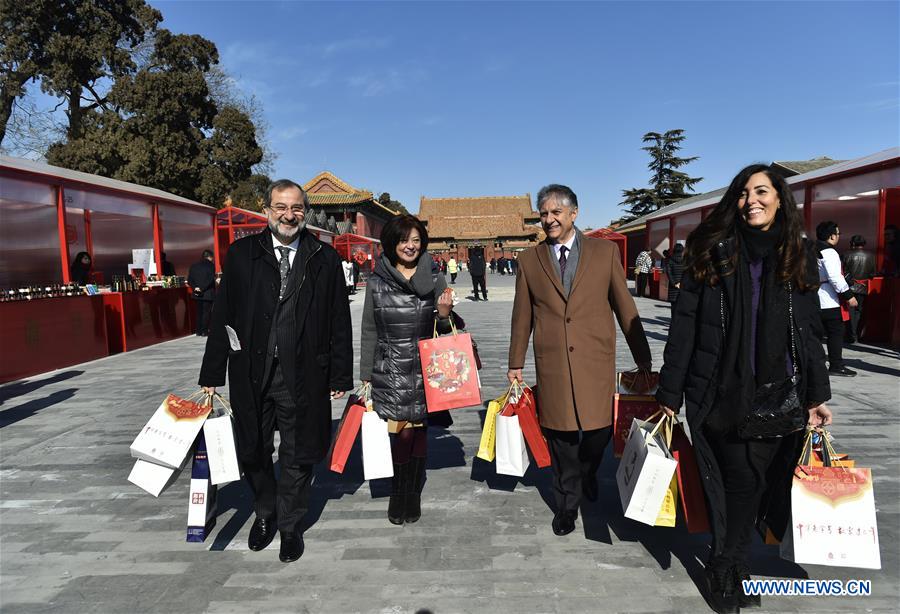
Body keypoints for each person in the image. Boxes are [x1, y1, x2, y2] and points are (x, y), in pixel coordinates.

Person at [656, 164, 832, 613]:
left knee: (755, 484)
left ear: (779, 199)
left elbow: (809, 330)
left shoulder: (799, 253)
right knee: (737, 480)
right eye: (743, 193)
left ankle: (732, 562)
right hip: (721, 389)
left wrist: (818, 395)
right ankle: (726, 567)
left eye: (761, 191)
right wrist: (670, 393)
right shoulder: (711, 249)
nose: (751, 200)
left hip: (780, 391)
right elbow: (685, 325)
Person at [198, 179, 353, 563]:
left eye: (296, 208)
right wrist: (211, 372)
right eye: (281, 207)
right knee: (252, 449)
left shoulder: (323, 257)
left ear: (305, 212)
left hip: (304, 372)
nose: (289, 215)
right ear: (267, 209)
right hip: (251, 370)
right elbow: (223, 315)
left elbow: (338, 320)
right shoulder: (242, 254)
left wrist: (340, 374)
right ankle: (265, 510)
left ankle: (289, 525)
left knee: (298, 454)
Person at [508, 184, 652, 537]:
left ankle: (589, 471)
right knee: (561, 437)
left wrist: (643, 357)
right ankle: (566, 503)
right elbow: (522, 315)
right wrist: (516, 362)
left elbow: (625, 307)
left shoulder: (603, 254)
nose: (549, 219)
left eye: (556, 212)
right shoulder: (530, 260)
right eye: (544, 214)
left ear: (574, 213)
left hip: (594, 360)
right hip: (553, 361)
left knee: (598, 432)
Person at [359, 214, 456, 525]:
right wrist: (365, 373)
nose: (410, 246)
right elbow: (369, 328)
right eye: (404, 240)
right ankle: (398, 491)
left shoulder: (435, 277)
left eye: (416, 240)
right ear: (392, 243)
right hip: (391, 365)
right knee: (399, 431)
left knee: (420, 429)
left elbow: (449, 327)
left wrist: (443, 314)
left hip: (428, 365)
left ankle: (412, 493)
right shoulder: (377, 280)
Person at [815, 221, 857, 376]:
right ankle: (836, 365)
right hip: (830, 299)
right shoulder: (830, 252)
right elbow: (835, 277)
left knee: (815, 335)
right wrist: (849, 296)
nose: (838, 236)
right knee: (835, 333)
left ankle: (814, 364)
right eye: (838, 234)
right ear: (832, 236)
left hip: (814, 297)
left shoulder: (812, 249)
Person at [842, 235, 875, 343]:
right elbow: (872, 274)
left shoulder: (846, 254)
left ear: (852, 243)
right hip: (863, 287)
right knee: (858, 311)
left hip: (849, 287)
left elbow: (843, 271)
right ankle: (855, 334)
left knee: (849, 311)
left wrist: (851, 281)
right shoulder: (871, 256)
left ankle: (851, 334)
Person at [187, 250, 216, 336]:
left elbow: (189, 280)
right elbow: (210, 280)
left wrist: (195, 288)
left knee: (199, 312)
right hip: (207, 293)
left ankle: (198, 331)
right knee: (206, 312)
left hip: (196, 293)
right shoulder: (211, 265)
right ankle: (204, 330)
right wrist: (202, 288)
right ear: (210, 257)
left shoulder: (194, 266)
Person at [665, 243, 686, 317]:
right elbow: (686, 273)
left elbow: (668, 273)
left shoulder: (670, 261)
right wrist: (682, 283)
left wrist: (674, 283)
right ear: (682, 251)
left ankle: (673, 321)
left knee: (673, 306)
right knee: (681, 305)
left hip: (673, 286)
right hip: (682, 286)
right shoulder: (685, 261)